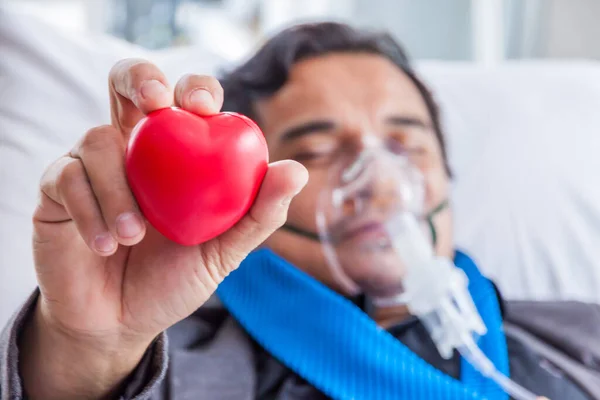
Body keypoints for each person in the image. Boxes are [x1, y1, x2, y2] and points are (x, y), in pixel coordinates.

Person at [1, 22, 599, 400]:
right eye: (316, 149)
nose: (381, 183)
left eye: (407, 143)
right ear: (244, 191)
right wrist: (87, 349)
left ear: (445, 173)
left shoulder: (581, 343)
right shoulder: (167, 370)